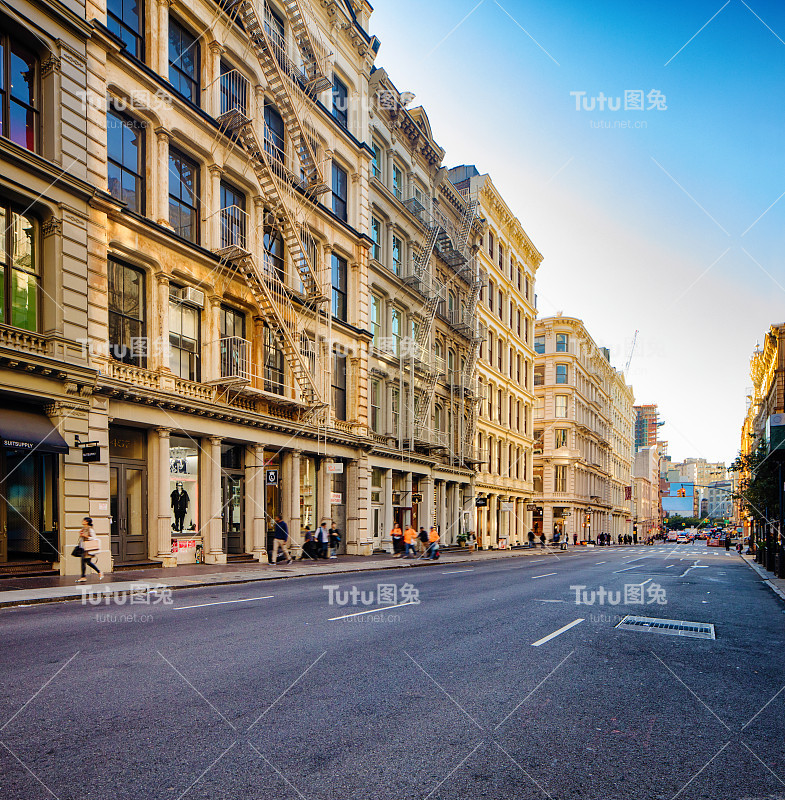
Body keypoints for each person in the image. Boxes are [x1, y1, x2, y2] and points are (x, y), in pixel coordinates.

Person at [75, 517, 102, 583]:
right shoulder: (84, 529)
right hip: (83, 547)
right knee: (85, 562)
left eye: (84, 520)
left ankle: (84, 576)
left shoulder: (90, 529)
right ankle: (84, 576)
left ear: (87, 522)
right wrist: (81, 534)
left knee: (86, 562)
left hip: (87, 549)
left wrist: (85, 536)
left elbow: (93, 538)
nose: (82, 521)